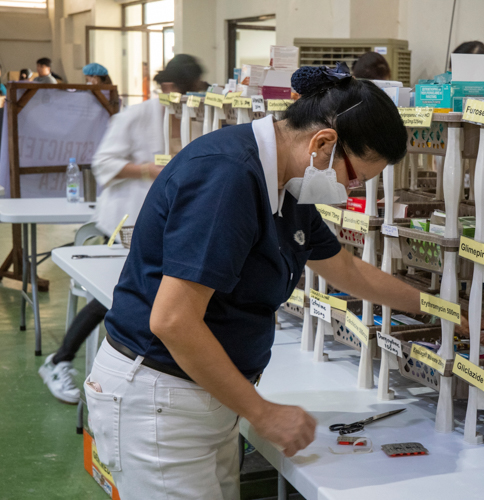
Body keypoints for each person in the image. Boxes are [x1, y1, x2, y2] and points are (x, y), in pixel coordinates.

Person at [83, 62, 425, 499]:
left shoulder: (287, 181)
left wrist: (439, 310)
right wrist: (262, 413)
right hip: (160, 396)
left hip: (206, 394)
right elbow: (173, 321)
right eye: (356, 178)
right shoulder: (228, 176)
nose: (351, 191)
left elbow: (346, 269)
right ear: (323, 144)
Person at [38, 55, 206, 404]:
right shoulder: (135, 116)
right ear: (170, 88)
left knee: (138, 299)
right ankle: (59, 361)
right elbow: (103, 162)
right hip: (126, 221)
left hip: (165, 224)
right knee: (112, 297)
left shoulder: (194, 116)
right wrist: (150, 170)